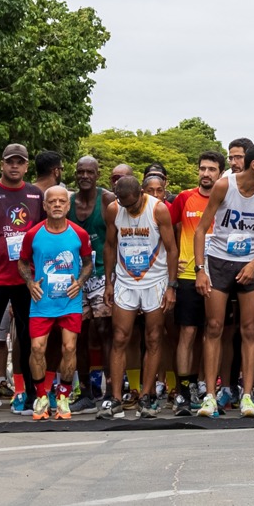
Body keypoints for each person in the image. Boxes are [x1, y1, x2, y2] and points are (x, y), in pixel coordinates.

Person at [193, 142, 254, 418]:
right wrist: (200, 269)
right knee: (214, 327)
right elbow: (201, 229)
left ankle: (248, 396)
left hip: (250, 262)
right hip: (218, 261)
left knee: (250, 329)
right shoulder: (224, 185)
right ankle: (209, 396)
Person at [0, 143, 44, 415]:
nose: (15, 166)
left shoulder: (36, 195)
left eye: (20, 162)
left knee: (28, 336)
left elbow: (45, 235)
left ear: (26, 166)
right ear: (1, 164)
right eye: (10, 161)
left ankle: (31, 394)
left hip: (27, 280)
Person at [99, 175, 177, 418]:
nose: (128, 208)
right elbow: (110, 246)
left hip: (154, 280)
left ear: (142, 193)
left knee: (154, 338)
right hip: (125, 280)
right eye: (124, 204)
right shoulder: (114, 209)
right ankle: (114, 399)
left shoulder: (159, 209)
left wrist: (171, 286)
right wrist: (109, 282)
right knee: (120, 337)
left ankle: (147, 396)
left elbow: (172, 249)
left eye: (132, 204)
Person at [18, 185, 94, 421]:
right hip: (42, 302)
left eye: (62, 201)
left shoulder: (79, 234)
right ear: (45, 205)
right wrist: (30, 283)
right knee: (37, 348)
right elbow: (21, 263)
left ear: (68, 205)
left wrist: (80, 282)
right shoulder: (33, 234)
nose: (57, 205)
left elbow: (88, 264)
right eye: (52, 202)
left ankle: (63, 396)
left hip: (69, 301)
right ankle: (41, 396)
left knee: (69, 348)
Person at [167, 151, 222, 415]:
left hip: (220, 275)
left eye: (212, 169)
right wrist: (171, 262)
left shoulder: (227, 199)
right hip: (188, 276)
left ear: (220, 173)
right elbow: (166, 231)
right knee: (187, 334)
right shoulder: (183, 198)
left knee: (213, 332)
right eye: (203, 168)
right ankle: (185, 390)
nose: (206, 174)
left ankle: (207, 386)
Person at [69, 156, 114, 410]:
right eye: (80, 172)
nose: (85, 176)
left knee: (105, 331)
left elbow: (113, 240)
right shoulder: (68, 201)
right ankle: (85, 391)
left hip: (101, 274)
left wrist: (111, 279)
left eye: (90, 172)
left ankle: (109, 388)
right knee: (79, 333)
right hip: (75, 276)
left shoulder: (106, 200)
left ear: (98, 174)